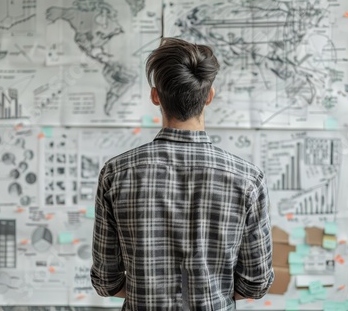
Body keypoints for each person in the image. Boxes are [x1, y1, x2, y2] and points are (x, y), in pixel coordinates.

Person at [91, 37, 273, 310]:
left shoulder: (116, 174)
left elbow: (106, 282)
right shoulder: (248, 179)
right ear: (209, 96)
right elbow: (256, 283)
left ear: (155, 96)